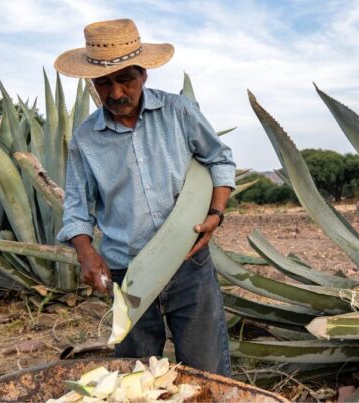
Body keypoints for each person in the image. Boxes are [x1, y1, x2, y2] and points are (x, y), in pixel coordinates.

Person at [54, 19, 235, 376]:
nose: (117, 93)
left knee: (207, 369)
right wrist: (86, 252)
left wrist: (216, 214)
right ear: (92, 83)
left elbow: (219, 159)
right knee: (136, 375)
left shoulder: (179, 113)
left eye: (127, 79)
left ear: (144, 75)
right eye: (104, 83)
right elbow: (76, 208)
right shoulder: (85, 139)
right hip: (127, 272)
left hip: (188, 262)